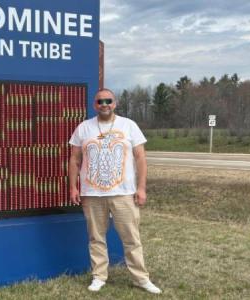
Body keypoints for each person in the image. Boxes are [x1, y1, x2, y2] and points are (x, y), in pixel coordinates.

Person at [68, 88, 161, 294]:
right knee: (96, 237)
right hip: (92, 194)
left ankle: (141, 279)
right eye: (100, 101)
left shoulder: (129, 125)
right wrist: (73, 186)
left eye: (108, 101)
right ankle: (99, 276)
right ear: (94, 105)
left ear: (115, 103)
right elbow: (74, 159)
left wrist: (142, 187)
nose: (104, 105)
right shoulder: (83, 128)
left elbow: (140, 158)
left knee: (131, 238)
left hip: (123, 193)